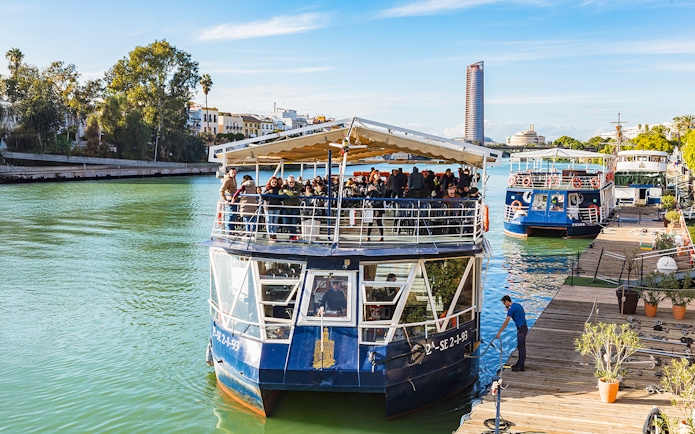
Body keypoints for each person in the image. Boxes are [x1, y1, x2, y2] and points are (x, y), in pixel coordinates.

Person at [495, 295, 528, 371]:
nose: (504, 305)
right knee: (520, 346)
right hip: (524, 326)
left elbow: (506, 322)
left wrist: (499, 332)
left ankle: (521, 366)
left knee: (521, 347)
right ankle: (519, 363)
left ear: (507, 301)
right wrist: (507, 309)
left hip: (520, 329)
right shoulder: (518, 305)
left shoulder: (511, 310)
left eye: (504, 304)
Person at [280, 175, 302, 240]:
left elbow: (294, 195)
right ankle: (294, 234)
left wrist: (286, 192)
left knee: (293, 222)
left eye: (292, 181)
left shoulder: (297, 187)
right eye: (290, 182)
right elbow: (280, 193)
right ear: (287, 182)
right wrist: (285, 190)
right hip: (286, 208)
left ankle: (292, 235)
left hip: (294, 207)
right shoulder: (285, 186)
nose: (291, 183)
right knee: (286, 222)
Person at [219, 167, 238, 232]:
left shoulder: (233, 179)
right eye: (232, 173)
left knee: (234, 214)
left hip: (234, 198)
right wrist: (225, 200)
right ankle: (230, 230)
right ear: (229, 173)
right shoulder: (228, 180)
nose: (234, 174)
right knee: (232, 214)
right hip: (230, 199)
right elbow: (221, 190)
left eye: (235, 173)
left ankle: (232, 230)